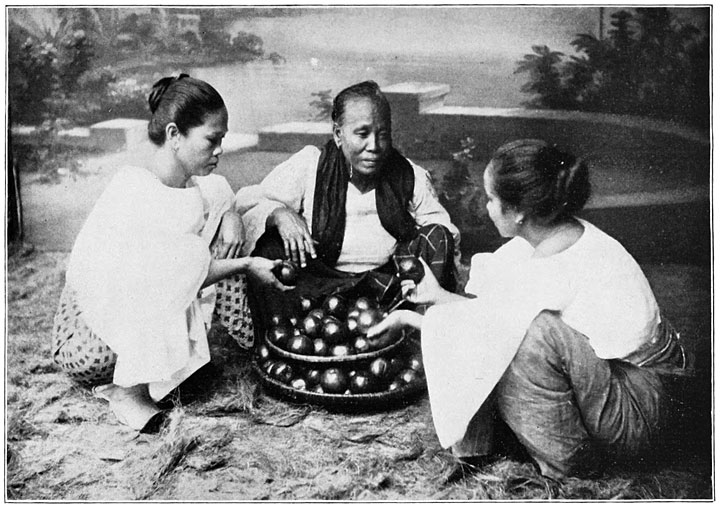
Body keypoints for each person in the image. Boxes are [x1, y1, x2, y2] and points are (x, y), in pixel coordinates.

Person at [368, 139, 688, 480]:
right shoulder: (548, 240)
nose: (485, 206)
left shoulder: (560, 263)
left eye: (491, 199)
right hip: (620, 386)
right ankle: (526, 438)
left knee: (532, 336)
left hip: (641, 410)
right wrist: (438, 295)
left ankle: (571, 464)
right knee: (517, 331)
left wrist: (412, 319)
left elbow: (499, 323)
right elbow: (494, 311)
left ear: (519, 212)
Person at [52, 75, 289, 432]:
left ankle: (151, 377)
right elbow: (171, 277)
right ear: (175, 135)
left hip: (131, 313)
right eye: (212, 140)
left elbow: (223, 194)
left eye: (222, 139)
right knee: (124, 340)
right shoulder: (135, 188)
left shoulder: (198, 186)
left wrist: (230, 216)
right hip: (88, 328)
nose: (220, 150)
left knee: (189, 374)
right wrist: (247, 263)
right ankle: (126, 391)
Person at [235, 80, 460, 327]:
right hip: (317, 285)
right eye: (362, 134)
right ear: (338, 134)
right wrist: (278, 214)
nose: (374, 147)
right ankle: (291, 330)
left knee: (439, 236)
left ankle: (419, 326)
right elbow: (247, 202)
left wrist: (409, 259)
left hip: (389, 289)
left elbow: (441, 232)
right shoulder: (311, 166)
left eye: (382, 134)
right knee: (270, 246)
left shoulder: (408, 175)